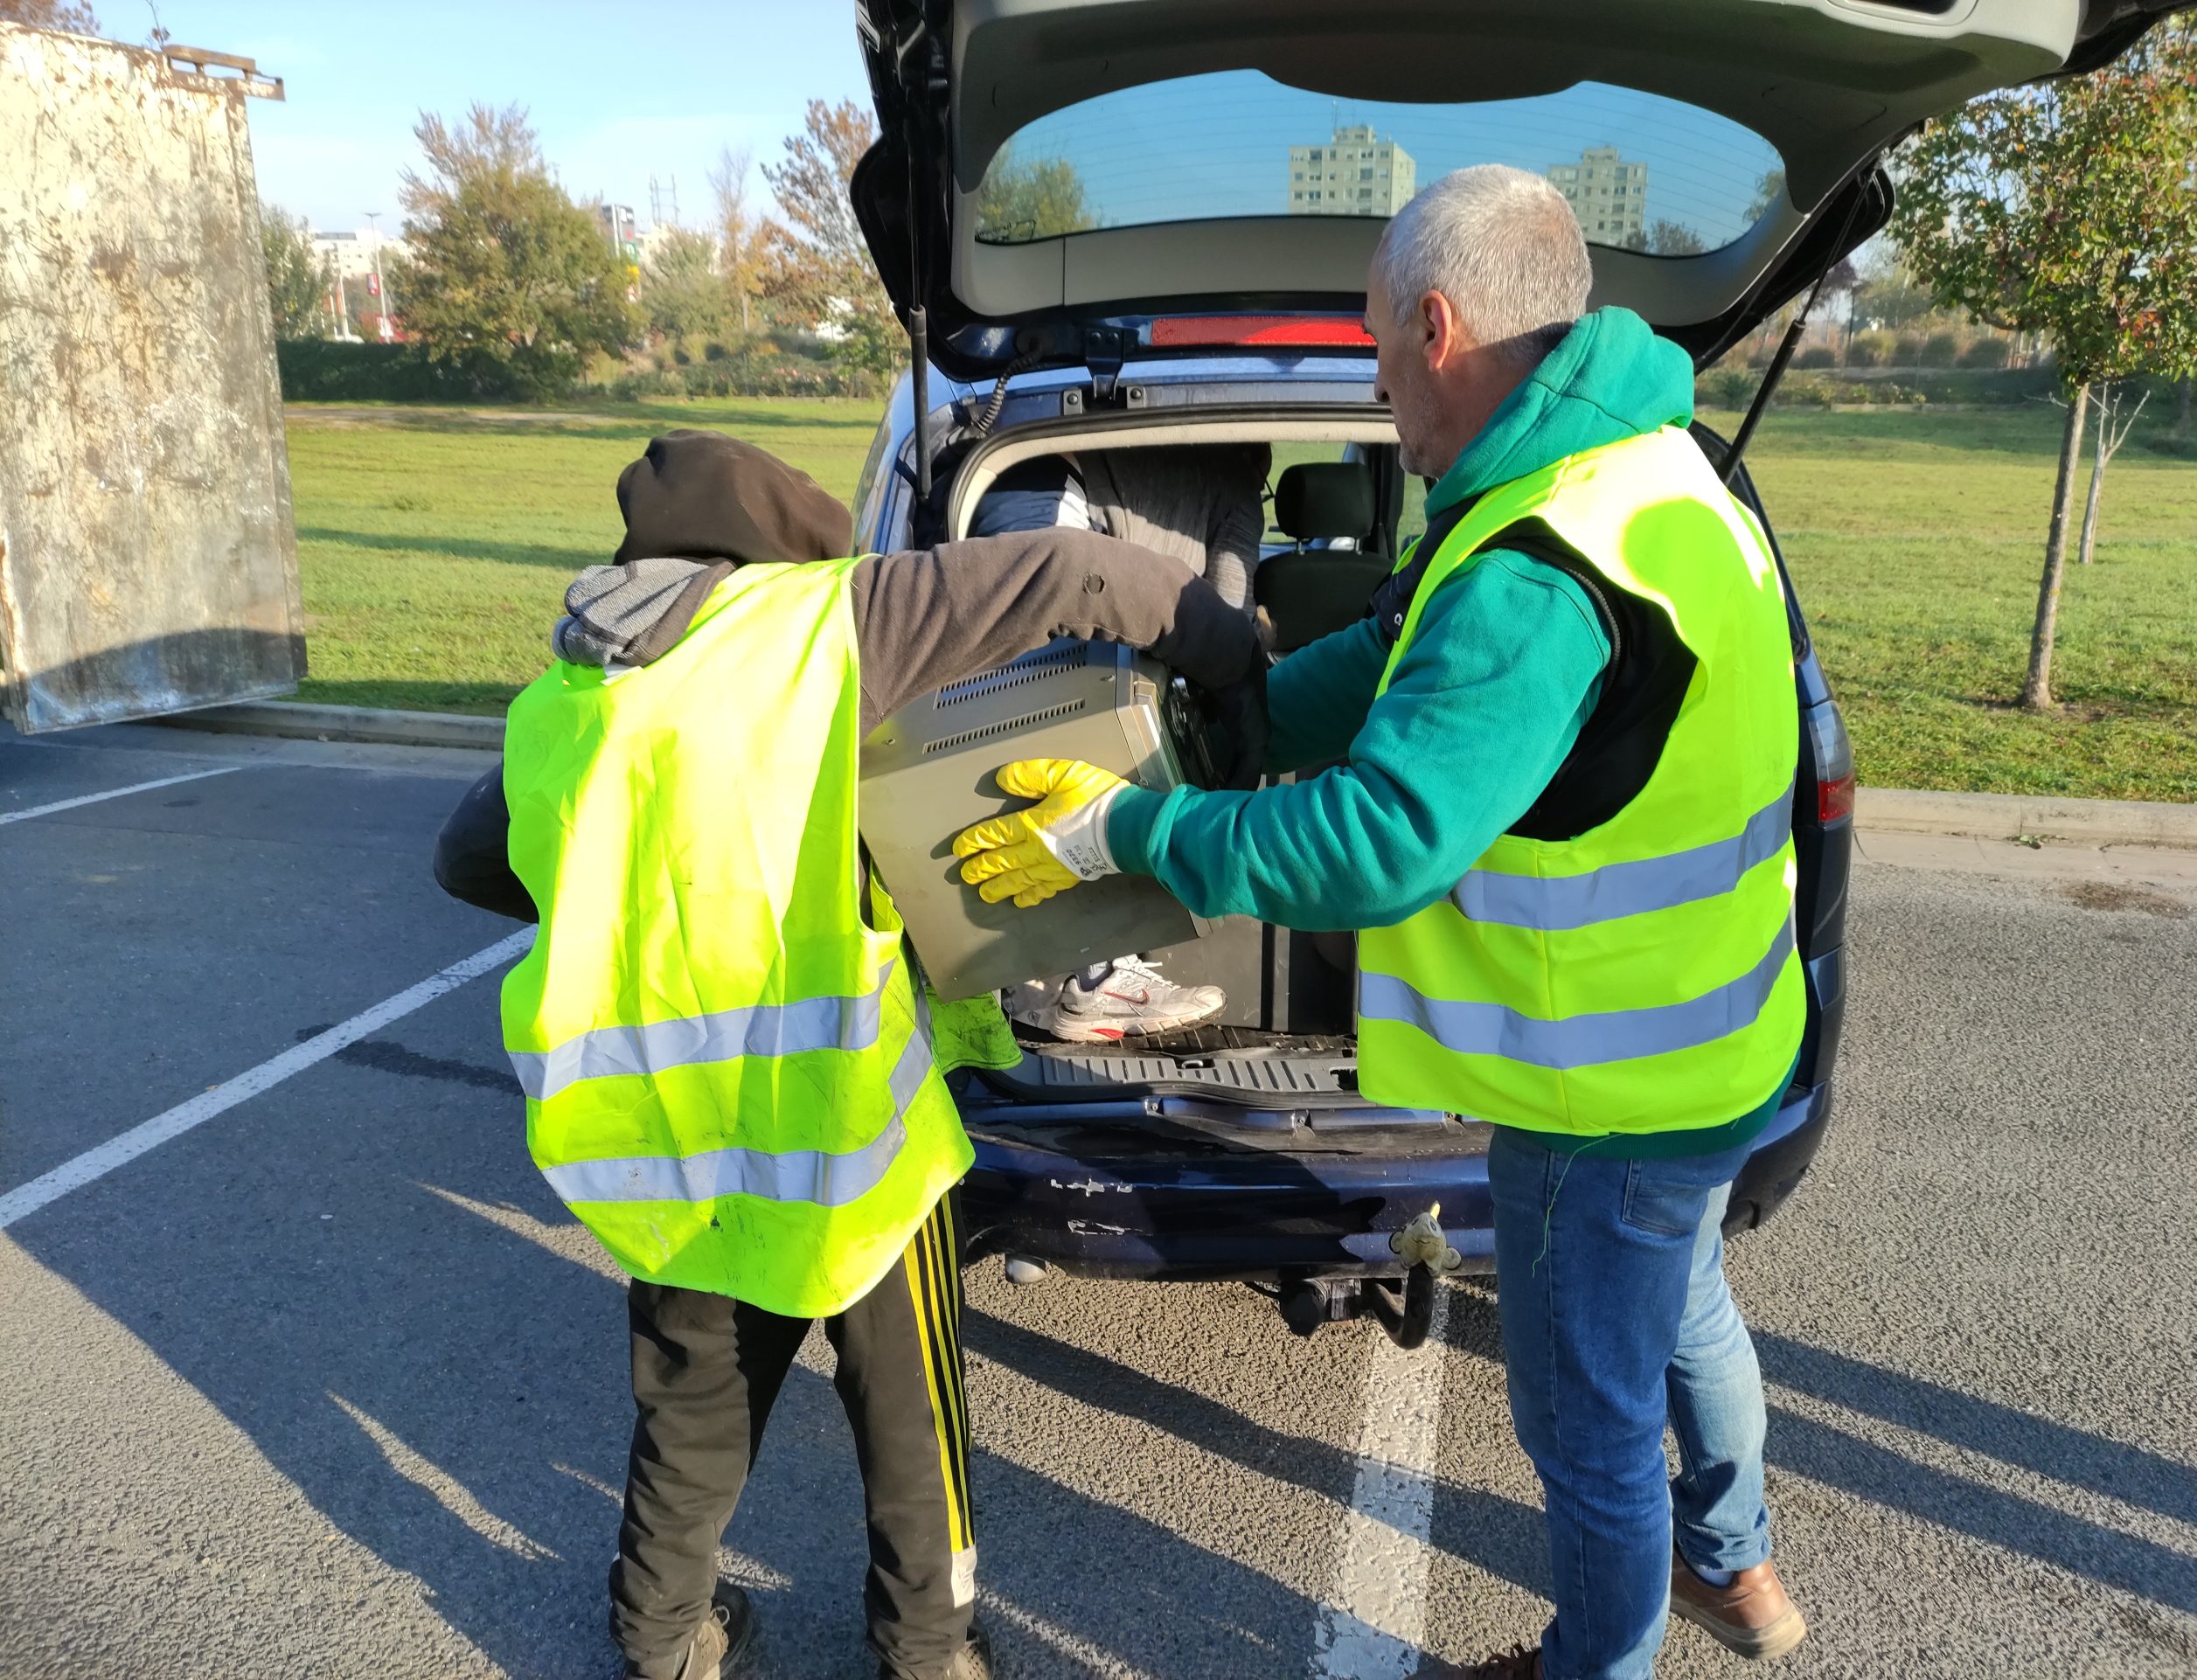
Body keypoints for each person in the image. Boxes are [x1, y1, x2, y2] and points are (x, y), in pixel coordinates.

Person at [951, 165, 1808, 1680]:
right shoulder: (1647, 469)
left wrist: (1131, 829)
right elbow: (1410, 638)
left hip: (1602, 1087)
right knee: (1684, 1311)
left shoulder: (1545, 569)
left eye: (1374, 350)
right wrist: (1240, 720)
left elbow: (1382, 840)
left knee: (1586, 1424)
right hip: (1722, 1037)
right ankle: (1738, 1572)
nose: (1378, 386)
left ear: (1439, 323)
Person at [434, 430, 1262, 1680]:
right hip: (840, 1128)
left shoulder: (573, 688)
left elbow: (467, 859)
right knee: (907, 1410)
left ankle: (663, 1643)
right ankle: (928, 1652)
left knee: (692, 1406)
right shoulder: (828, 621)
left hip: (662, 1136)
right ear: (785, 543)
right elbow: (1089, 577)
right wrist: (1237, 668)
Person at [968, 443, 1269, 1042]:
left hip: (1026, 491)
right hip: (1053, 499)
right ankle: (1081, 980)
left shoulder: (1205, 454)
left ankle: (1038, 974)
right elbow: (1229, 614)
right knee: (1068, 724)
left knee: (1049, 735)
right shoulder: (1238, 483)